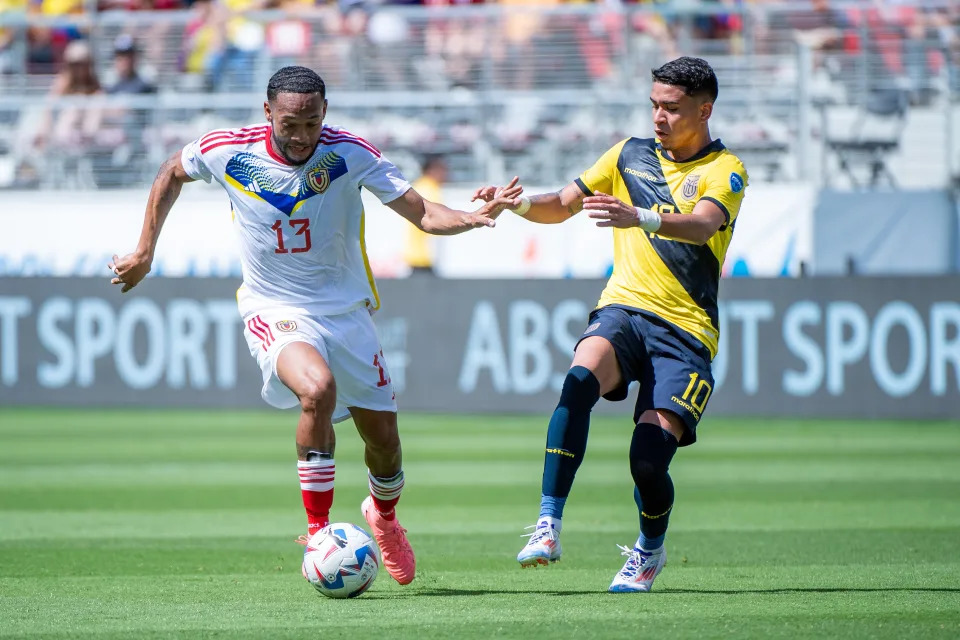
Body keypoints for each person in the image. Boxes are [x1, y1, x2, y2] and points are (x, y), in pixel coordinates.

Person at [108, 66, 522, 586]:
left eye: (311, 123)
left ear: (324, 113)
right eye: (289, 125)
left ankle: (384, 518)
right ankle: (320, 534)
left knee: (385, 445)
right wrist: (145, 249)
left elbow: (424, 214)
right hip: (273, 307)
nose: (302, 136)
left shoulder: (350, 153)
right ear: (267, 114)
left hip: (346, 312)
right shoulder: (226, 150)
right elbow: (172, 170)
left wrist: (472, 215)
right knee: (316, 389)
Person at [475, 57, 747, 593]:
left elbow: (701, 225)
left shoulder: (726, 169)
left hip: (686, 333)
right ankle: (549, 523)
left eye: (671, 108)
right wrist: (519, 203)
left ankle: (649, 551)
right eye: (654, 105)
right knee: (577, 382)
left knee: (647, 464)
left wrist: (641, 216)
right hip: (624, 309)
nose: (659, 117)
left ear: (704, 109)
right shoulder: (628, 153)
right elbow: (563, 204)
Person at [404, 155, 447, 275]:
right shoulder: (430, 189)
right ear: (431, 170)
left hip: (415, 256)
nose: (445, 174)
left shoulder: (418, 187)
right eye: (442, 170)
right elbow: (436, 220)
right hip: (425, 258)